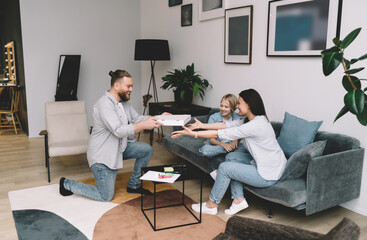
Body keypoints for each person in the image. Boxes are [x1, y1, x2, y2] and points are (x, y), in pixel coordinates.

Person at [171, 89, 286, 215]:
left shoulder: (255, 125)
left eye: (239, 103)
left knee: (225, 168)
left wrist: (194, 134)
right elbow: (224, 126)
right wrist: (202, 125)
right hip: (268, 164)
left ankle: (211, 205)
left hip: (268, 174)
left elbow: (221, 133)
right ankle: (238, 199)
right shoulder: (253, 119)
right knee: (231, 157)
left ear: (249, 104)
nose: (236, 106)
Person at [59, 69, 168, 201]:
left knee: (146, 150)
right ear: (116, 86)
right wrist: (144, 125)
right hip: (103, 156)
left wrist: (158, 118)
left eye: (132, 86)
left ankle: (134, 185)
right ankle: (66, 184)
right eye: (128, 86)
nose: (131, 89)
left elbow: (136, 119)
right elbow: (118, 131)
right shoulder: (104, 104)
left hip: (118, 149)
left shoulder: (124, 103)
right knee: (105, 196)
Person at [198, 93, 241, 158]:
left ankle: (229, 150)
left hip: (231, 143)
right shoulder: (213, 117)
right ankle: (229, 150)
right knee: (205, 151)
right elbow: (211, 140)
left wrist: (235, 140)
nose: (223, 109)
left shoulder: (237, 118)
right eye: (221, 106)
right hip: (217, 144)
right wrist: (224, 145)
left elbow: (239, 134)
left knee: (244, 148)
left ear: (232, 108)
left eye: (226, 107)